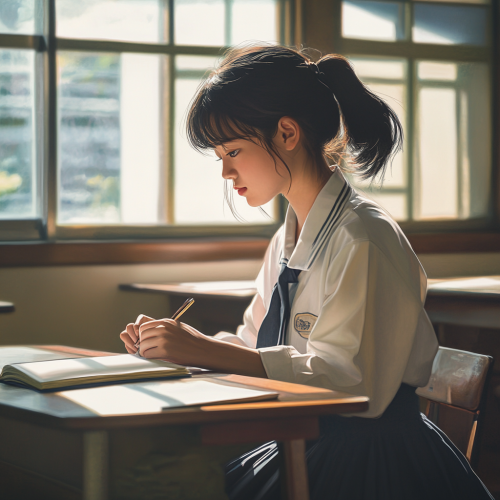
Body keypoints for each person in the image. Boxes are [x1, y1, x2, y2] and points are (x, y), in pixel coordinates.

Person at [120, 44, 494, 500]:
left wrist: (205, 351)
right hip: (310, 442)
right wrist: (183, 347)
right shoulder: (288, 237)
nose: (226, 171)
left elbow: (350, 382)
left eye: (233, 150)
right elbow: (256, 343)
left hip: (369, 457)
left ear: (286, 133)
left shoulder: (363, 237)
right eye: (220, 155)